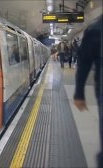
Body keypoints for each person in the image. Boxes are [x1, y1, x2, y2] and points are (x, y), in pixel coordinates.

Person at [74, 15, 102, 167]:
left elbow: (84, 63)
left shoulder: (95, 28)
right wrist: (79, 93)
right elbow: (84, 63)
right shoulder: (96, 29)